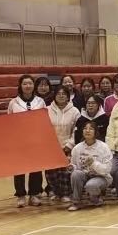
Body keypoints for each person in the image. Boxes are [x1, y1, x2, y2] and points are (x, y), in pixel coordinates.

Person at [9, 74, 45, 207]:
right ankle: (20, 195)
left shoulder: (40, 101)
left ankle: (34, 194)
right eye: (25, 83)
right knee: (19, 168)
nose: (27, 86)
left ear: (34, 86)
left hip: (36, 139)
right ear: (20, 86)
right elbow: (9, 121)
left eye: (30, 83)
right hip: (19, 140)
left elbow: (44, 120)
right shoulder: (13, 102)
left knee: (36, 167)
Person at [67, 120, 113, 211]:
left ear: (96, 132)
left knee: (91, 185)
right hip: (85, 175)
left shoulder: (104, 147)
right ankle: (76, 202)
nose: (87, 131)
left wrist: (93, 163)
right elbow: (75, 166)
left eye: (91, 129)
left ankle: (95, 199)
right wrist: (71, 167)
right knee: (75, 174)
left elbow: (107, 169)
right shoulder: (77, 148)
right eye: (85, 128)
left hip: (101, 177)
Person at [45, 86, 79, 203]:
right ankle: (55, 192)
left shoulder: (75, 111)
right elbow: (43, 129)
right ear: (54, 96)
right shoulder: (47, 110)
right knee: (51, 173)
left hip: (67, 147)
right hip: (51, 147)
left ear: (68, 96)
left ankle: (66, 193)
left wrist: (69, 145)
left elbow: (76, 131)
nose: (61, 96)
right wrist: (50, 145)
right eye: (58, 93)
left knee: (65, 173)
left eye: (63, 94)